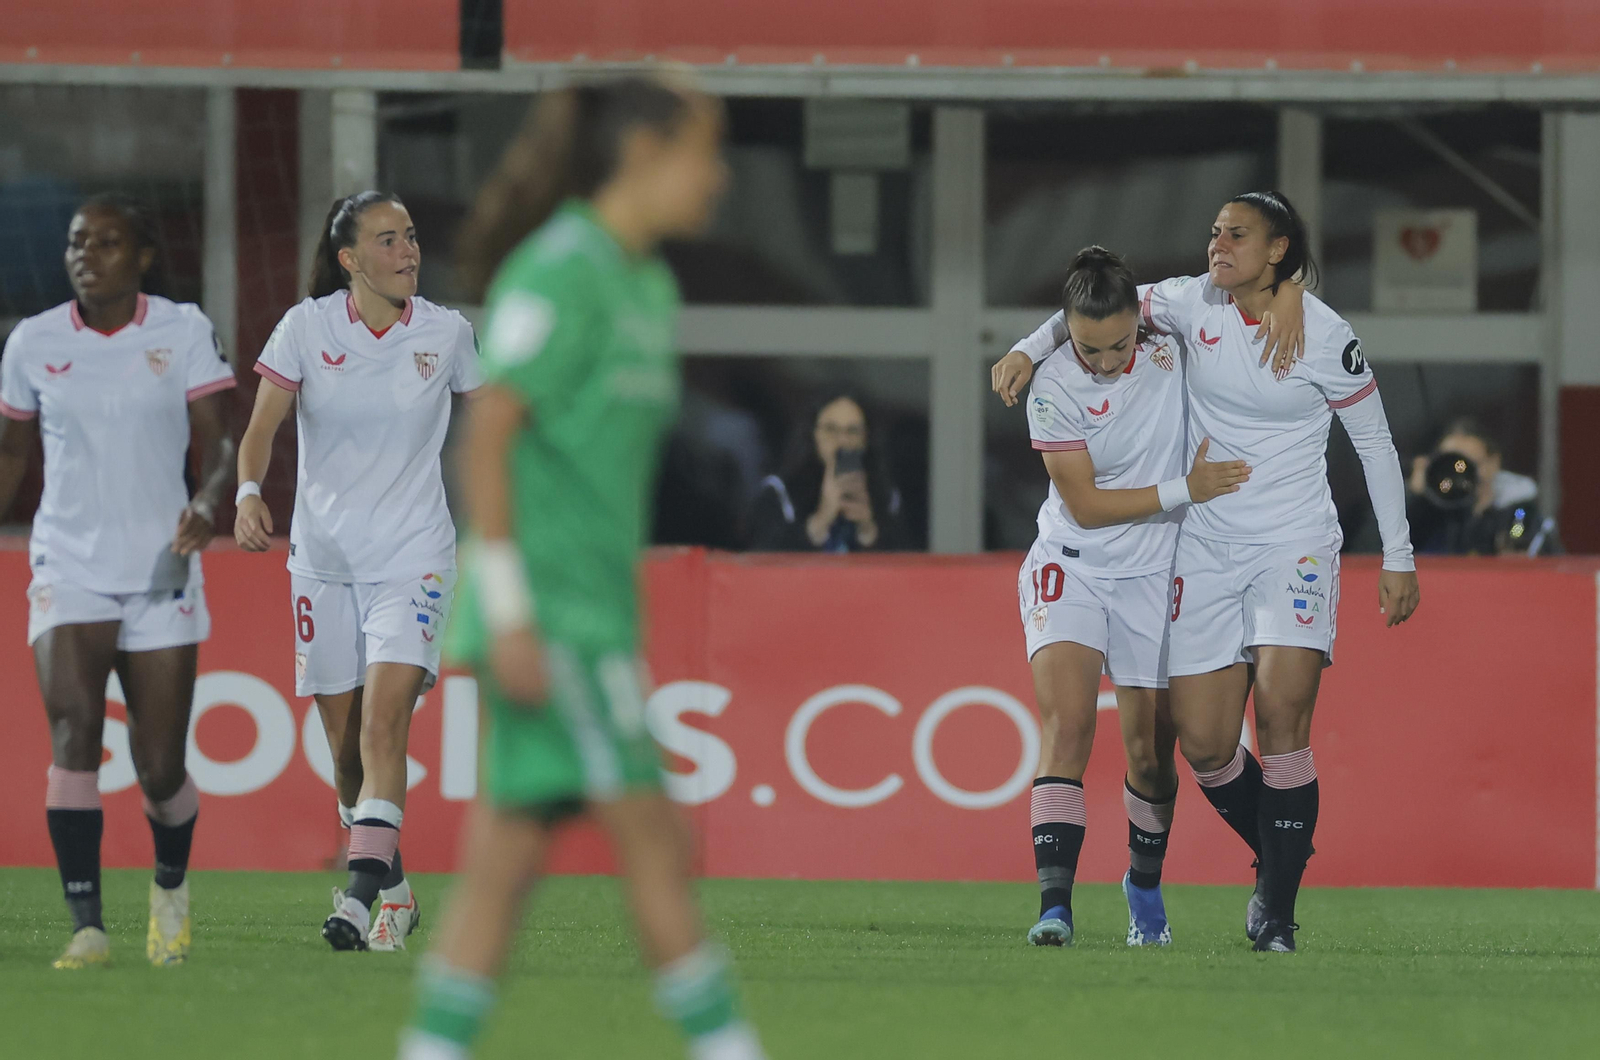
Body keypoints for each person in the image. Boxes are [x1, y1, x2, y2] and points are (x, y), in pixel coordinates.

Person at [399, 78, 766, 1060]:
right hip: (555, 618)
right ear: (642, 151)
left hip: (595, 610)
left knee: (505, 860)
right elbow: (490, 431)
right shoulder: (558, 269)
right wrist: (510, 611)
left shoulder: (645, 281)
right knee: (657, 842)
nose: (719, 175)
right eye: (704, 149)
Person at [1133, 191, 1418, 953]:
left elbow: (1377, 446)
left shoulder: (1324, 334)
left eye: (1238, 234)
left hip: (1293, 543)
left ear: (1279, 250)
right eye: (1215, 230)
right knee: (1202, 743)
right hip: (1204, 543)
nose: (1217, 243)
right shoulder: (1191, 304)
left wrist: (1398, 556)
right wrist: (1030, 349)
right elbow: (1094, 306)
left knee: (1285, 718)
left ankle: (1277, 914)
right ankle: (1281, 844)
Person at [1000, 246, 1299, 949]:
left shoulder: (1172, 340)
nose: (1102, 360)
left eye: (1117, 344)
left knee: (1149, 756)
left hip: (1160, 570)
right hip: (1074, 562)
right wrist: (1184, 491)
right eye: (1085, 346)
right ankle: (1055, 908)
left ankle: (1143, 890)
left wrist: (1288, 296)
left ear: (1143, 322)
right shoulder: (1050, 386)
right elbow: (1086, 505)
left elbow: (1240, 292)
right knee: (1069, 725)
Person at [234, 190, 483, 952]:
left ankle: (357, 899)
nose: (407, 251)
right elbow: (260, 432)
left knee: (383, 730)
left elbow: (488, 434)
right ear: (349, 260)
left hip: (414, 561)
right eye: (387, 240)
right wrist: (247, 494)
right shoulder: (306, 328)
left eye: (410, 236)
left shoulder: (449, 333)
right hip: (323, 565)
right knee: (346, 756)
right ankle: (398, 896)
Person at [0, 193, 236, 968]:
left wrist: (207, 500)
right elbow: (10, 451)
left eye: (106, 242)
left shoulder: (183, 329)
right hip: (67, 564)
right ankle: (88, 929)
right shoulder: (32, 343)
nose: (85, 254)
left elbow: (222, 441)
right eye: (76, 241)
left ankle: (169, 886)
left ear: (141, 257)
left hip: (162, 566)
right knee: (73, 736)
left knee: (160, 768)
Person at [745, 393, 909, 552]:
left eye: (853, 431)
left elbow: (907, 564)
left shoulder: (886, 494)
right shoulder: (780, 492)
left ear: (866, 439)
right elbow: (764, 561)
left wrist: (868, 531)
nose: (842, 441)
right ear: (812, 434)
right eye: (831, 430)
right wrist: (821, 520)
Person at [1406, 417, 1559, 555]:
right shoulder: (1427, 516)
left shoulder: (1520, 514)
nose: (1458, 475)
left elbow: (1524, 555)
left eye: (1467, 465)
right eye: (1449, 465)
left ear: (1494, 462)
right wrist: (1415, 498)